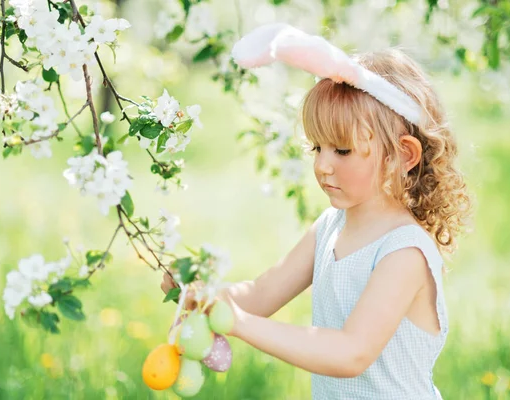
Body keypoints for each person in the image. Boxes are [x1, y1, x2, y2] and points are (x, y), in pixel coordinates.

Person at [161, 23, 472, 399]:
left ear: (403, 155)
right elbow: (261, 294)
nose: (323, 166)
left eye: (341, 151)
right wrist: (203, 294)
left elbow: (351, 352)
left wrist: (238, 323)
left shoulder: (403, 251)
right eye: (316, 148)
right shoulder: (330, 227)